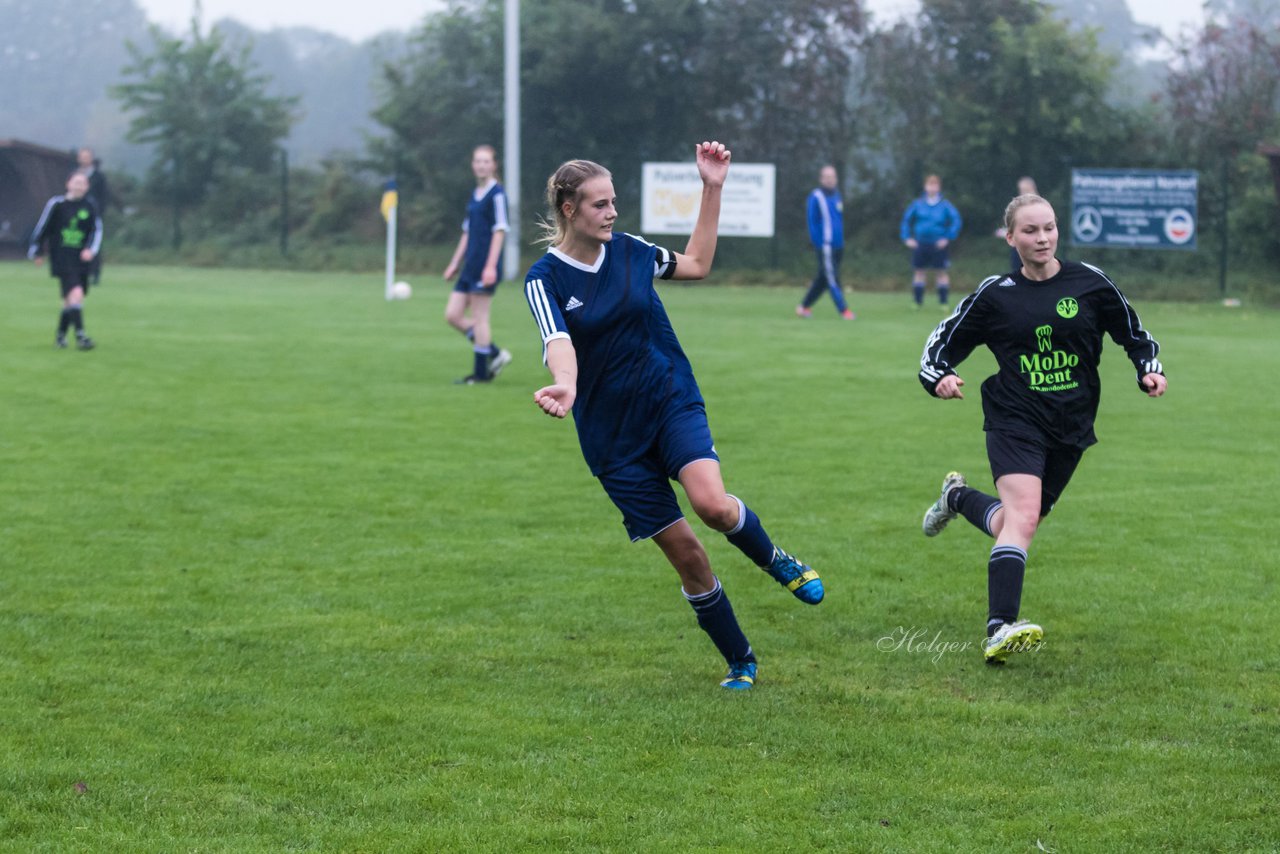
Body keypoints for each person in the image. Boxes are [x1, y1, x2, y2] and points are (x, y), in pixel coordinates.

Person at [523, 141, 823, 691]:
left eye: (614, 202)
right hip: (612, 440)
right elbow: (556, 340)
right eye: (599, 205)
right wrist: (566, 384)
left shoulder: (634, 252)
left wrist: (712, 187)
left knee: (711, 504)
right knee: (687, 556)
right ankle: (741, 660)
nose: (612, 213)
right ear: (569, 209)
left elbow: (699, 264)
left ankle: (774, 557)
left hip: (668, 400)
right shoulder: (545, 278)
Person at [917, 192, 1167, 664]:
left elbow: (1133, 332)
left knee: (1015, 523)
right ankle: (999, 627)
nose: (1042, 238)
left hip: (1071, 424)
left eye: (1049, 228)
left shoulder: (1089, 283)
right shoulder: (996, 295)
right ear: (1011, 238)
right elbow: (942, 343)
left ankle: (956, 498)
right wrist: (940, 377)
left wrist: (1147, 368)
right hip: (1014, 419)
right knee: (1024, 518)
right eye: (1030, 231)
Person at [443, 144, 513, 384]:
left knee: (480, 317)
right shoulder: (475, 194)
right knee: (452, 315)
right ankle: (494, 353)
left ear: (494, 165)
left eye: (486, 161)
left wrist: (491, 266)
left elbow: (500, 231)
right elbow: (466, 232)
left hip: (485, 266)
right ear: (473, 165)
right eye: (477, 161)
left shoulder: (498, 195)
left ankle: (480, 374)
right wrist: (454, 263)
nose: (481, 165)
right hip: (469, 266)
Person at [28, 171, 102, 350]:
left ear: (87, 187)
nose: (78, 186)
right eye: (76, 182)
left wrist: (90, 249)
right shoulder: (57, 204)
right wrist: (37, 250)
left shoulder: (89, 206)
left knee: (72, 299)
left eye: (82, 183)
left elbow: (96, 230)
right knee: (75, 292)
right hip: (61, 257)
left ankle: (60, 337)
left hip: (81, 259)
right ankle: (81, 337)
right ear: (68, 184)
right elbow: (43, 228)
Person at [796, 164, 855, 320]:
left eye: (832, 177)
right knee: (832, 278)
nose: (830, 180)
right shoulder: (816, 197)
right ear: (821, 179)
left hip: (838, 245)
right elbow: (812, 222)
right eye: (827, 177)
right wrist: (818, 243)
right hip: (826, 246)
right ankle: (844, 311)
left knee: (822, 280)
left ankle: (803, 307)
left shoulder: (837, 196)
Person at [900, 174, 963, 310]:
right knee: (919, 272)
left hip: (938, 244)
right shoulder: (918, 204)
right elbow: (906, 220)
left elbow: (956, 221)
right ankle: (917, 302)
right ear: (925, 187)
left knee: (941, 272)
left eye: (935, 185)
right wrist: (907, 238)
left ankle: (943, 303)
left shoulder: (945, 205)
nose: (932, 188)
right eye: (929, 185)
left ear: (939, 187)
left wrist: (947, 237)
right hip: (920, 243)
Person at [76, 147, 111, 284]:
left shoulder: (99, 177)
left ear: (91, 158)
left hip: (93, 215)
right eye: (82, 156)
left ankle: (95, 273)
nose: (84, 159)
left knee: (93, 244)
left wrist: (98, 212)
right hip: (76, 214)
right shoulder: (74, 175)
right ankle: (78, 272)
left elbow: (104, 196)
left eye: (86, 156)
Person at [994, 176, 1037, 271]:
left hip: (1030, 246)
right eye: (1021, 190)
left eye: (1024, 190)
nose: (1021, 193)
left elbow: (1029, 227)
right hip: (1019, 246)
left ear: (1031, 188)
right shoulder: (1020, 205)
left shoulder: (1037, 206)